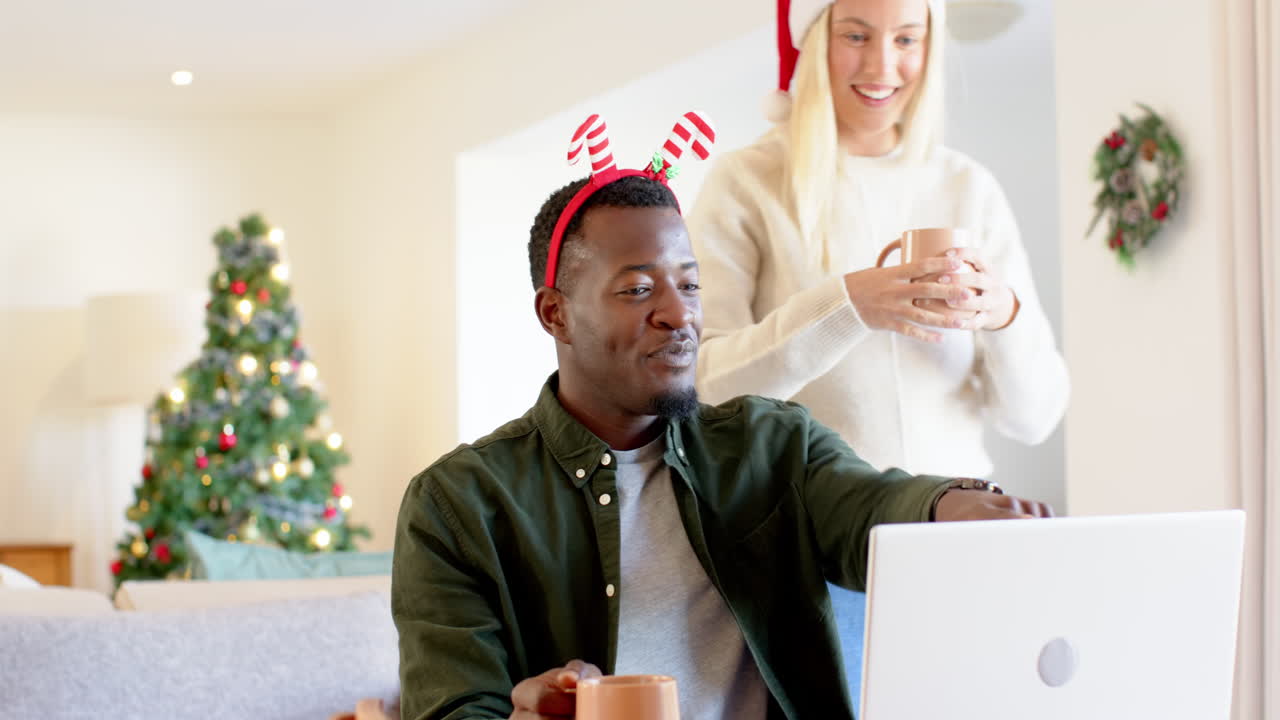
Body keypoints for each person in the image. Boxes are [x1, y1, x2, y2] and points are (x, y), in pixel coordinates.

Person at [392, 114, 1053, 720]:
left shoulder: (773, 445)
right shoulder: (456, 507)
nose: (679, 314)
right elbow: (453, 707)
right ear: (554, 313)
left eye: (689, 284)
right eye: (637, 289)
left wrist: (951, 507)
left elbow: (868, 508)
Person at [688, 0, 1069, 480]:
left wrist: (1004, 315)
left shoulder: (968, 186)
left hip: (955, 522)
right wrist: (847, 308)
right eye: (856, 36)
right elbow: (706, 389)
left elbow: (1034, 418)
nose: (882, 66)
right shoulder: (746, 182)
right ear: (814, 38)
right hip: (814, 533)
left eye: (906, 39)